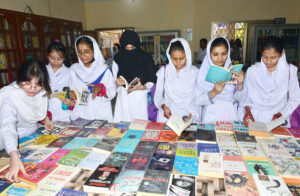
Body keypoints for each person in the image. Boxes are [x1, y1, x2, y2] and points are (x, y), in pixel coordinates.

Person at [0, 59, 53, 182]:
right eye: (28, 83)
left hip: (30, 138)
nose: (33, 89)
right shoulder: (8, 95)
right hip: (8, 143)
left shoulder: (41, 91)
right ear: (20, 78)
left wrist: (45, 119)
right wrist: (13, 155)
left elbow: (36, 108)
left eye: (38, 84)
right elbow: (8, 126)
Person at [239, 36, 300, 127]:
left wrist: (281, 114)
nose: (268, 62)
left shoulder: (290, 71)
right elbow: (246, 96)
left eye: (273, 57)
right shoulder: (253, 71)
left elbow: (295, 99)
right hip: (254, 118)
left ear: (282, 53)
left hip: (279, 121)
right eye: (264, 57)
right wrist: (247, 111)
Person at [196, 36, 244, 122]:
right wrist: (213, 92)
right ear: (209, 54)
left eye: (224, 54)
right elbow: (198, 101)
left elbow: (241, 99)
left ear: (228, 53)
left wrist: (240, 84)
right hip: (210, 118)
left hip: (230, 117)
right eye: (215, 54)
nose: (220, 58)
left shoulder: (233, 71)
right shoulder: (203, 73)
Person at [69, 35, 116, 121]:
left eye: (87, 51)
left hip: (100, 113)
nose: (82, 55)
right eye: (79, 51)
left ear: (95, 51)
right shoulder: (74, 70)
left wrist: (101, 90)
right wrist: (72, 94)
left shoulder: (104, 70)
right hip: (81, 114)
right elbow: (74, 92)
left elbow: (112, 93)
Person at [112, 30, 156, 122]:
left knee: (140, 128)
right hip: (123, 99)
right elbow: (112, 81)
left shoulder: (145, 58)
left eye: (132, 48)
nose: (129, 50)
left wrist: (143, 87)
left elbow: (152, 79)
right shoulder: (117, 59)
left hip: (140, 98)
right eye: (126, 48)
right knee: (122, 129)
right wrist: (116, 83)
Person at [154, 38, 200, 122]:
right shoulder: (164, 72)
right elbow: (158, 96)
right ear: (169, 56)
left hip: (189, 115)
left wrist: (193, 114)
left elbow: (198, 98)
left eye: (182, 58)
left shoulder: (195, 73)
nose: (178, 62)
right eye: (174, 59)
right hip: (168, 116)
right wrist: (164, 106)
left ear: (188, 56)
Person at [46, 41, 72, 122]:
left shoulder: (70, 72)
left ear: (64, 58)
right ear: (47, 56)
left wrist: (71, 101)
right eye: (52, 58)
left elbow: (76, 92)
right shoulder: (42, 70)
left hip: (64, 111)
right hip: (47, 110)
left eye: (59, 59)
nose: (55, 62)